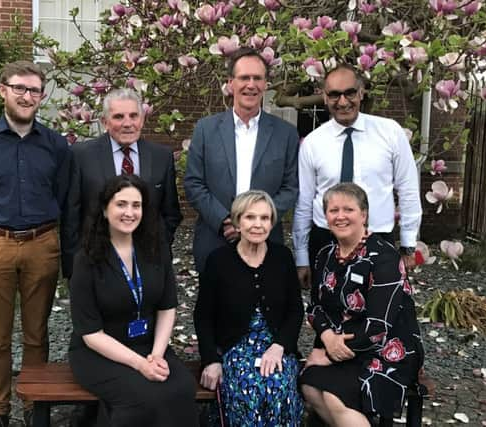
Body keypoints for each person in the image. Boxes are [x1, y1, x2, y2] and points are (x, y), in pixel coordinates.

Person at [0, 60, 72, 427]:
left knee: (37, 333)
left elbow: (62, 194)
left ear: (42, 96)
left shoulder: (56, 145)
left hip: (43, 244)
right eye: (19, 88)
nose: (27, 96)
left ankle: (32, 404)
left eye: (34, 90)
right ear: (3, 91)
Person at [68, 174, 198, 427]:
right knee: (142, 398)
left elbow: (167, 307)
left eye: (136, 205)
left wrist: (157, 355)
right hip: (99, 352)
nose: (129, 212)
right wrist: (140, 364)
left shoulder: (155, 249)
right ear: (105, 210)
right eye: (121, 204)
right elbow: (91, 333)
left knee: (182, 387)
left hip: (148, 345)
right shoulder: (86, 259)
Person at [299, 183, 424, 426]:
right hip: (340, 345)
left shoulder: (384, 257)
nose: (341, 216)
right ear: (326, 217)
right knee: (310, 385)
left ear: (364, 215)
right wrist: (325, 337)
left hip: (388, 348)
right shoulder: (325, 254)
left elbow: (378, 325)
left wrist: (331, 354)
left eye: (349, 209)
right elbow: (316, 308)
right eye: (333, 210)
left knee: (336, 397)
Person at [292, 64, 422, 289]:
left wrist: (409, 244)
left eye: (350, 92)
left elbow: (408, 188)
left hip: (378, 236)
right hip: (327, 238)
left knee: (379, 311)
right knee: (328, 311)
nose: (342, 102)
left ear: (361, 93)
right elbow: (304, 201)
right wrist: (302, 257)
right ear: (324, 97)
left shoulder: (390, 132)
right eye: (334, 94)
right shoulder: (313, 142)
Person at [184, 47, 299, 272]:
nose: (251, 84)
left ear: (266, 84)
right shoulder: (205, 130)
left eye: (257, 78)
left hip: (266, 242)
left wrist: (255, 223)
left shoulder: (285, 134)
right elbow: (194, 183)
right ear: (230, 83)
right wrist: (226, 221)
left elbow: (291, 187)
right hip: (216, 238)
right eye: (244, 77)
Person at [194, 190, 304, 426]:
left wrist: (280, 346)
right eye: (250, 217)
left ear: (272, 223)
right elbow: (202, 316)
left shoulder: (282, 257)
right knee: (247, 389)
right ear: (237, 222)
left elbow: (296, 310)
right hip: (235, 348)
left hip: (276, 346)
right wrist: (210, 359)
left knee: (278, 387)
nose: (257, 225)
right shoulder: (218, 260)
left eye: (264, 218)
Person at [61, 88, 182, 279]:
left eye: (134, 116)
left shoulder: (161, 156)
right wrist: (75, 267)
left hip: (148, 261)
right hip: (95, 262)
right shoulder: (81, 156)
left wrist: (157, 245)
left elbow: (171, 212)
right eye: (118, 117)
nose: (128, 123)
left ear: (142, 120)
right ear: (104, 122)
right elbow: (71, 215)